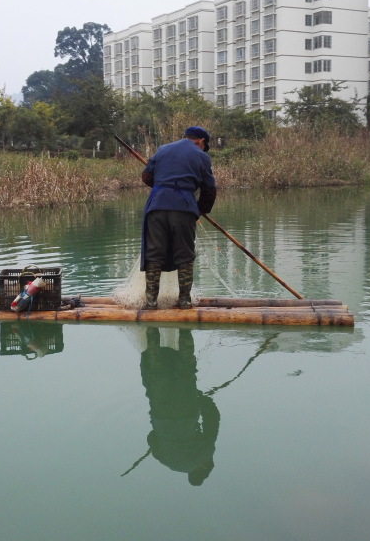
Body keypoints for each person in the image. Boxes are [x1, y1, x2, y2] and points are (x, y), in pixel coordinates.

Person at [140, 126, 217, 310]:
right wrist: (200, 209)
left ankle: (150, 303)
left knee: (153, 254)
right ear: (201, 142)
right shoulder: (202, 157)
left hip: (156, 206)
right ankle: (184, 301)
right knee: (185, 255)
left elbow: (146, 176)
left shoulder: (163, 149)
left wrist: (161, 185)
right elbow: (209, 189)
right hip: (184, 207)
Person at [141, 327, 219, 486]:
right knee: (156, 369)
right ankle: (150, 324)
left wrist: (200, 398)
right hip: (160, 413)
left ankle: (184, 325)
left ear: (202, 468)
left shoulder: (204, 457)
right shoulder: (167, 461)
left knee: (185, 368)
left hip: (186, 411)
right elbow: (151, 438)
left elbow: (212, 419)